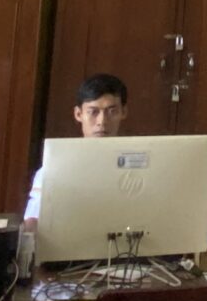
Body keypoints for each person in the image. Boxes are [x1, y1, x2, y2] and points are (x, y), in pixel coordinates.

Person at [23, 73, 129, 220]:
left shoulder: (139, 165)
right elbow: (32, 221)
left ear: (124, 112)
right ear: (78, 114)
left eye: (112, 112)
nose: (102, 121)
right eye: (93, 112)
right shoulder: (54, 168)